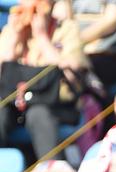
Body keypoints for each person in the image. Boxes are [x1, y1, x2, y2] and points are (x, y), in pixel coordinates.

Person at [0, 0, 88, 159]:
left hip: (53, 104)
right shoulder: (11, 30)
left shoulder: (66, 29)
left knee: (38, 114)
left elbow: (73, 76)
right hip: (15, 103)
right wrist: (14, 40)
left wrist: (42, 37)